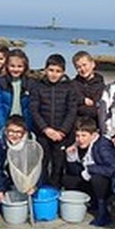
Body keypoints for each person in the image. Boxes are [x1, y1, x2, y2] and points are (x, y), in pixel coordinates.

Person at [30, 54, 78, 189]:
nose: (54, 74)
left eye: (58, 71)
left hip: (62, 135)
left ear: (63, 72)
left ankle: (55, 190)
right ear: (45, 70)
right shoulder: (38, 86)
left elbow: (72, 110)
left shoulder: (69, 87)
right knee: (42, 164)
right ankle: (42, 191)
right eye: (51, 70)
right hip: (43, 133)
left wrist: (62, 131)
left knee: (58, 165)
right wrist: (46, 129)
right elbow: (34, 110)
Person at [64, 117, 115, 227]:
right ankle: (89, 203)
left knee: (97, 178)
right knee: (67, 180)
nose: (80, 139)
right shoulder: (80, 145)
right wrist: (71, 156)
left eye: (84, 135)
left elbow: (113, 168)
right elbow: (76, 172)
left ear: (93, 135)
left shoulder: (102, 145)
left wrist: (91, 169)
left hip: (108, 183)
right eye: (78, 135)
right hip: (90, 178)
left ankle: (103, 211)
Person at [0, 116, 40, 203]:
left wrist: (35, 185)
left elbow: (37, 167)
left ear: (24, 132)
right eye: (11, 131)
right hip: (5, 176)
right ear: (6, 130)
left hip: (24, 177)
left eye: (18, 132)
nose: (14, 135)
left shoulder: (32, 142)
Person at [0, 49, 34, 133]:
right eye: (12, 66)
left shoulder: (30, 83)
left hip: (23, 124)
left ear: (25, 67)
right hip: (6, 123)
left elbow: (31, 108)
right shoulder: (0, 82)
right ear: (7, 66)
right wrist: (2, 128)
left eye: (19, 66)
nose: (15, 69)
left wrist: (28, 128)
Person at [70, 51, 106, 127]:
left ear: (93, 64)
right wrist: (83, 100)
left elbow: (97, 109)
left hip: (94, 126)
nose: (82, 69)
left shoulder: (101, 86)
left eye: (84, 65)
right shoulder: (72, 85)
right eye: (78, 67)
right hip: (76, 125)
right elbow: (70, 104)